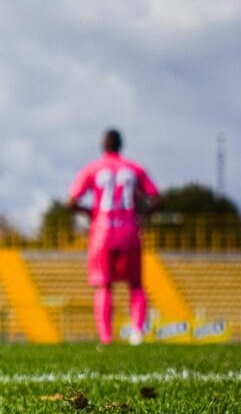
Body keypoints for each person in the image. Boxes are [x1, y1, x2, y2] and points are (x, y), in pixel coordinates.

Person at [68, 128, 159, 345]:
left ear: (103, 145)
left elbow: (71, 201)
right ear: (121, 145)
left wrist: (90, 213)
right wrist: (141, 214)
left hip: (102, 233)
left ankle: (106, 337)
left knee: (104, 285)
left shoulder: (93, 168)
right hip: (129, 231)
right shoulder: (134, 168)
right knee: (136, 284)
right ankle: (137, 332)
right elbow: (156, 198)